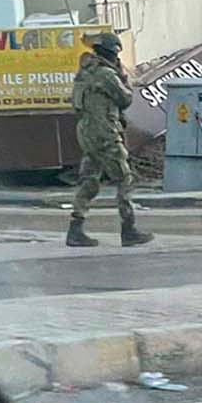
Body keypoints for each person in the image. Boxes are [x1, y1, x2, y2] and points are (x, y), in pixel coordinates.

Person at [66, 33, 154, 248]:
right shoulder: (106, 74)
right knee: (124, 178)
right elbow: (125, 99)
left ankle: (75, 229)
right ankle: (129, 229)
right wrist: (124, 77)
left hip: (87, 132)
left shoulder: (85, 72)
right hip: (105, 132)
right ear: (112, 53)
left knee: (89, 180)